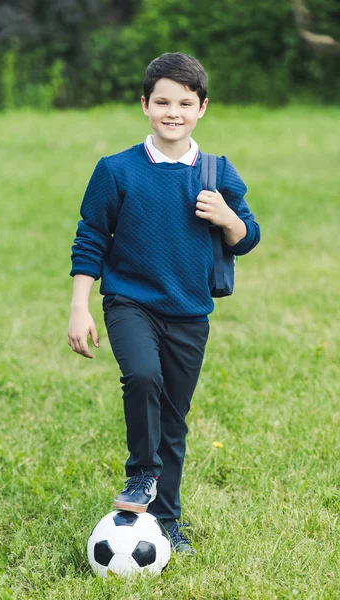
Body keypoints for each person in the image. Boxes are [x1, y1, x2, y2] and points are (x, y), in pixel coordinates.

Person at [67, 52, 260, 553]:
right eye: (162, 102)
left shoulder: (217, 173)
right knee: (142, 376)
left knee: (174, 419)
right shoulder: (116, 170)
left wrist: (227, 218)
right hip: (130, 301)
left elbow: (248, 237)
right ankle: (141, 476)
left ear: (202, 108)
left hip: (190, 312)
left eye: (184, 102)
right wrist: (79, 306)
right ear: (145, 106)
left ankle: (168, 520)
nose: (172, 112)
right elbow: (90, 238)